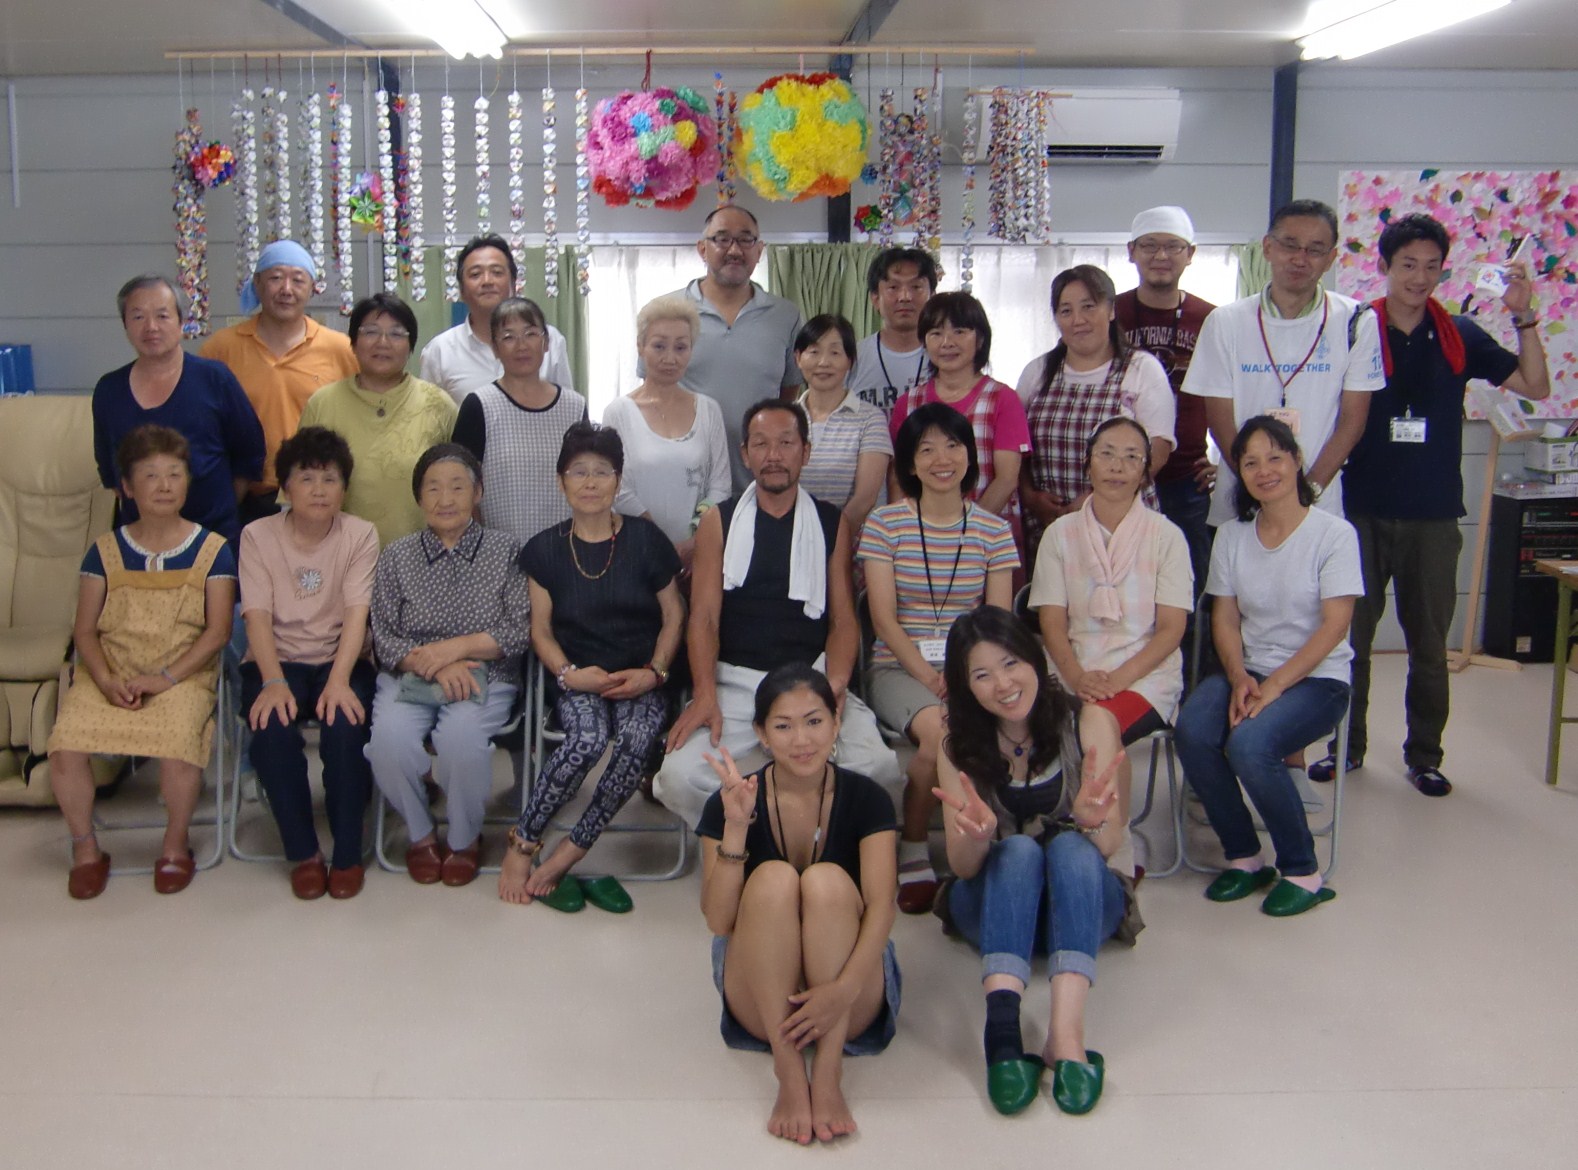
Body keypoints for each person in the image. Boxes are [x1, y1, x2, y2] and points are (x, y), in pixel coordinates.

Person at [1326, 212, 1551, 796]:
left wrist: (1524, 314)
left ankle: (1424, 755)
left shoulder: (1461, 334)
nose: (1419, 277)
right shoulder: (1354, 329)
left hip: (1433, 516)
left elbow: (1535, 385)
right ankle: (1345, 747)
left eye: (1431, 267)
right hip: (1360, 512)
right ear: (1384, 266)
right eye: (1408, 265)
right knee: (1349, 642)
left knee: (1429, 646)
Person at [932, 606, 1141, 1117]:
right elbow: (963, 867)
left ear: (1034, 659)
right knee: (1019, 850)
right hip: (996, 906)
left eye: (1011, 664)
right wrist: (980, 837)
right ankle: (1003, 1036)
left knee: (1070, 846)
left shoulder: (1087, 720)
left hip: (1080, 906)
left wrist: (1090, 821)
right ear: (964, 686)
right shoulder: (957, 744)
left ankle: (1065, 1039)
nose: (1003, 684)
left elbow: (1108, 844)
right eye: (982, 675)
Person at [653, 400, 902, 828]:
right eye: (761, 444)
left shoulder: (832, 522)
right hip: (735, 683)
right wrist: (705, 693)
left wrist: (835, 685)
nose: (774, 455)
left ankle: (811, 837)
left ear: (806, 452)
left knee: (878, 767)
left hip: (812, 678)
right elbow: (704, 618)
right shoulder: (718, 521)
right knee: (679, 776)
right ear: (745, 454)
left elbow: (843, 620)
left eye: (786, 443)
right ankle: (754, 837)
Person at [697, 663, 899, 1145]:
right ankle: (789, 1073)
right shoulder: (730, 801)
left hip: (851, 990)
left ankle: (828, 1072)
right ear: (762, 734)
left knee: (826, 882)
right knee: (773, 879)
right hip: (761, 995)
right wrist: (736, 827)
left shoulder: (868, 798)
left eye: (814, 721)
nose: (802, 740)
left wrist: (843, 990)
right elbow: (719, 921)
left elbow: (882, 908)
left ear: (836, 723)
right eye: (784, 726)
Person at [1172, 416, 1362, 917]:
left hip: (1318, 679)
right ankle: (1245, 856)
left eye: (1275, 458)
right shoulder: (1232, 536)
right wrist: (1239, 676)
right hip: (1249, 670)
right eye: (1250, 462)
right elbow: (1225, 618)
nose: (1264, 471)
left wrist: (1274, 685)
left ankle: (1302, 870)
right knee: (1193, 729)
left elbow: (1335, 625)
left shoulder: (1334, 535)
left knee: (1251, 745)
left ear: (1296, 461)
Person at [498, 423, 685, 914]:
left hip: (643, 677)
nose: (590, 482)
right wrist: (568, 675)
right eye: (578, 471)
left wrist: (655, 672)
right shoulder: (544, 549)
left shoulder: (646, 539)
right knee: (586, 739)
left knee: (637, 740)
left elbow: (674, 615)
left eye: (602, 471)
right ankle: (522, 843)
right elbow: (540, 631)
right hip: (577, 676)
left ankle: (571, 849)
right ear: (560, 481)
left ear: (618, 481)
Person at [48, 425, 236, 899]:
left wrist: (166, 678)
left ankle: (174, 845)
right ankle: (86, 849)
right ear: (127, 488)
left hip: (183, 676)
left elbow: (217, 632)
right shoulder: (104, 551)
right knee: (65, 745)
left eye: (175, 473)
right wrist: (106, 680)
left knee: (178, 740)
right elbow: (85, 631)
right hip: (110, 674)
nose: (164, 485)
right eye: (150, 475)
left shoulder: (213, 549)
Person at [858, 403, 1018, 914]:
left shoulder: (992, 531)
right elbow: (883, 619)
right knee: (942, 733)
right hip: (897, 668)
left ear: (970, 456)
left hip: (975, 670)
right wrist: (931, 676)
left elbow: (997, 622)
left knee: (981, 730)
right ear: (909, 462)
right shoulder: (885, 524)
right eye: (926, 449)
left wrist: (967, 675)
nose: (941, 459)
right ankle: (918, 847)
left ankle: (982, 842)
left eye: (952, 446)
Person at [366, 444, 530, 887]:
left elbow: (518, 630)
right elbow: (384, 635)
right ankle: (420, 834)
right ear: (419, 497)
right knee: (388, 741)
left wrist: (453, 650)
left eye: (458, 487)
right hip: (411, 674)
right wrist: (435, 666)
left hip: (486, 675)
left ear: (478, 493)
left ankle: (463, 838)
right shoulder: (397, 555)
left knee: (461, 740)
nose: (445, 499)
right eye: (433, 488)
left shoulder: (505, 550)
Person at [238, 426, 381, 900]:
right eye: (306, 478)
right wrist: (272, 680)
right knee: (272, 730)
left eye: (330, 479)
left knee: (345, 725)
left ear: (344, 488)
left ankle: (347, 852)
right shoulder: (257, 535)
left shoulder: (360, 534)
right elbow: (256, 615)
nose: (319, 490)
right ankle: (303, 853)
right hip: (275, 658)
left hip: (341, 656)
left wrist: (339, 680)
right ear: (285, 487)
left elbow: (357, 613)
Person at [1182, 199, 1384, 529]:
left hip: (1318, 506)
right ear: (1268, 247)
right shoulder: (1225, 321)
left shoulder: (1356, 321)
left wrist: (1306, 492)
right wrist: (1257, 486)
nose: (1300, 259)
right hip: (1241, 505)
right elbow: (1219, 419)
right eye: (1290, 245)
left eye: (1315, 249)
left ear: (1331, 258)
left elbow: (1352, 422)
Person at [1031, 416, 1193, 749]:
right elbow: (1052, 623)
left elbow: (1171, 630)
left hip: (1145, 677)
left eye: (1131, 456)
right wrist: (1078, 678)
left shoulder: (1167, 536)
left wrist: (1117, 681)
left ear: (1144, 472)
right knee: (1080, 724)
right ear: (1087, 463)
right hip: (1071, 670)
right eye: (1106, 453)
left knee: (1095, 721)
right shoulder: (1059, 534)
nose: (1117, 466)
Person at [92, 274, 264, 549]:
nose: (151, 327)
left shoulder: (215, 378)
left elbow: (249, 455)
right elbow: (111, 471)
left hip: (213, 539)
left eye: (162, 316)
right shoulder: (109, 390)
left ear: (181, 322)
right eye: (138, 317)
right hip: (140, 543)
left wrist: (220, 506)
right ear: (125, 325)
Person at [1016, 264, 1176, 557]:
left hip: (1121, 522)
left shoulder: (1141, 369)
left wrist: (1095, 499)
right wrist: (1030, 497)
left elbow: (1159, 450)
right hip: (1048, 525)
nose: (1078, 320)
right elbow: (1016, 447)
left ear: (1111, 310)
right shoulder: (1037, 372)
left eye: (1088, 307)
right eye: (1066, 311)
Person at [200, 240, 358, 524]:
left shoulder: (340, 349)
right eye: (275, 278)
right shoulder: (221, 349)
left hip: (319, 496)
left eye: (298, 280)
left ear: (312, 288)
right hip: (245, 497)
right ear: (257, 284)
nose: (286, 289)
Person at [1115, 206, 1218, 618]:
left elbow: (1235, 394)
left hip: (1187, 479)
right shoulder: (1108, 313)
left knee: (1192, 592)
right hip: (1120, 478)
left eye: (1173, 246)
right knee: (1123, 589)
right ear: (1131, 251)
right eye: (1149, 245)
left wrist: (1229, 463)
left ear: (1190, 254)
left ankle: (1194, 660)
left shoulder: (1212, 319)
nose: (1161, 256)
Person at [297, 293, 457, 546]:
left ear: (411, 346)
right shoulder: (323, 404)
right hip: (339, 555)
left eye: (396, 333)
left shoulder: (438, 404)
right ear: (353, 342)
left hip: (425, 557)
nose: (383, 342)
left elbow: (463, 486)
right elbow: (299, 487)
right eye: (371, 332)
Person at [664, 205, 803, 490]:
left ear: (759, 250)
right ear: (702, 249)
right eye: (722, 239)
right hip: (686, 478)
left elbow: (788, 393)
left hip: (762, 479)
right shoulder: (667, 312)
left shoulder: (786, 315)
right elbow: (655, 391)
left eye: (745, 239)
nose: (735, 250)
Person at [602, 293, 733, 571]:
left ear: (691, 350)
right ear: (641, 346)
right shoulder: (618, 412)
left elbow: (720, 486)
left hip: (700, 553)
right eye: (659, 346)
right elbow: (617, 487)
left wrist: (694, 542)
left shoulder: (709, 409)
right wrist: (661, 544)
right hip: (635, 550)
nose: (670, 358)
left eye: (681, 347)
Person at [452, 297, 588, 545]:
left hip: (567, 552)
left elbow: (586, 479)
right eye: (508, 337)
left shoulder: (575, 407)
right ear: (495, 348)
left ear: (546, 342)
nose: (521, 345)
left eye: (531, 334)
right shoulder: (479, 406)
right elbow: (460, 484)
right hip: (500, 553)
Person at [889, 292, 1030, 519]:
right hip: (919, 533)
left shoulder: (1003, 399)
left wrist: (964, 530)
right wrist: (907, 529)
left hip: (989, 531)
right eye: (936, 333)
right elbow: (898, 477)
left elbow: (1006, 479)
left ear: (980, 339)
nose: (947, 342)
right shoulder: (907, 404)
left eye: (959, 331)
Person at [417, 233, 576, 401]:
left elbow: (566, 406)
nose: (487, 281)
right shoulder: (439, 351)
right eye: (475, 274)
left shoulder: (548, 339)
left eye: (497, 272)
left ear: (513, 284)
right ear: (461, 290)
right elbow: (428, 415)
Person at [794, 313, 893, 531]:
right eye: (814, 352)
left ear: (850, 361)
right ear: (798, 358)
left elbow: (865, 499)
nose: (823, 362)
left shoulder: (870, 419)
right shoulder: (787, 419)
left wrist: (830, 540)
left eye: (835, 352)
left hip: (855, 542)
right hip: (794, 539)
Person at [848, 246, 939, 418]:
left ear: (932, 296)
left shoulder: (946, 356)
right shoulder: (853, 358)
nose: (905, 296)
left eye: (916, 287)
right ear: (875, 299)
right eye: (893, 287)